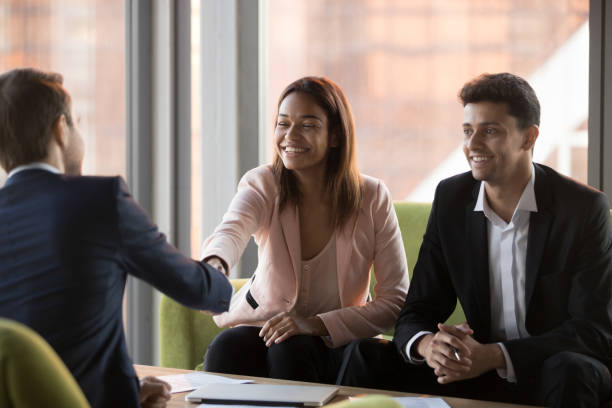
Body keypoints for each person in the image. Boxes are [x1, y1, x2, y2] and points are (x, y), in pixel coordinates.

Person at [338, 73, 612, 407]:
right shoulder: (452, 199)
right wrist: (429, 345)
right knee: (363, 354)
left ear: (529, 138)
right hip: (472, 371)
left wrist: (496, 355)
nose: (473, 144)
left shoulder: (581, 209)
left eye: (490, 131)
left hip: (547, 372)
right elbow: (418, 310)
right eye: (468, 131)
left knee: (573, 369)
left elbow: (592, 331)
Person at [0, 68, 233, 408]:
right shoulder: (99, 200)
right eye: (76, 123)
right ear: (60, 130)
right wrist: (220, 273)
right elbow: (196, 288)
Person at [202, 76, 410, 384]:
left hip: (334, 336)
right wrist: (214, 264)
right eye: (283, 123)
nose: (290, 135)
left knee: (292, 350)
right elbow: (231, 230)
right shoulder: (263, 184)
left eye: (308, 125)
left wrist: (315, 324)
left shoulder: (372, 197)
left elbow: (395, 300)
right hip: (264, 325)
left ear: (336, 136)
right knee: (226, 348)